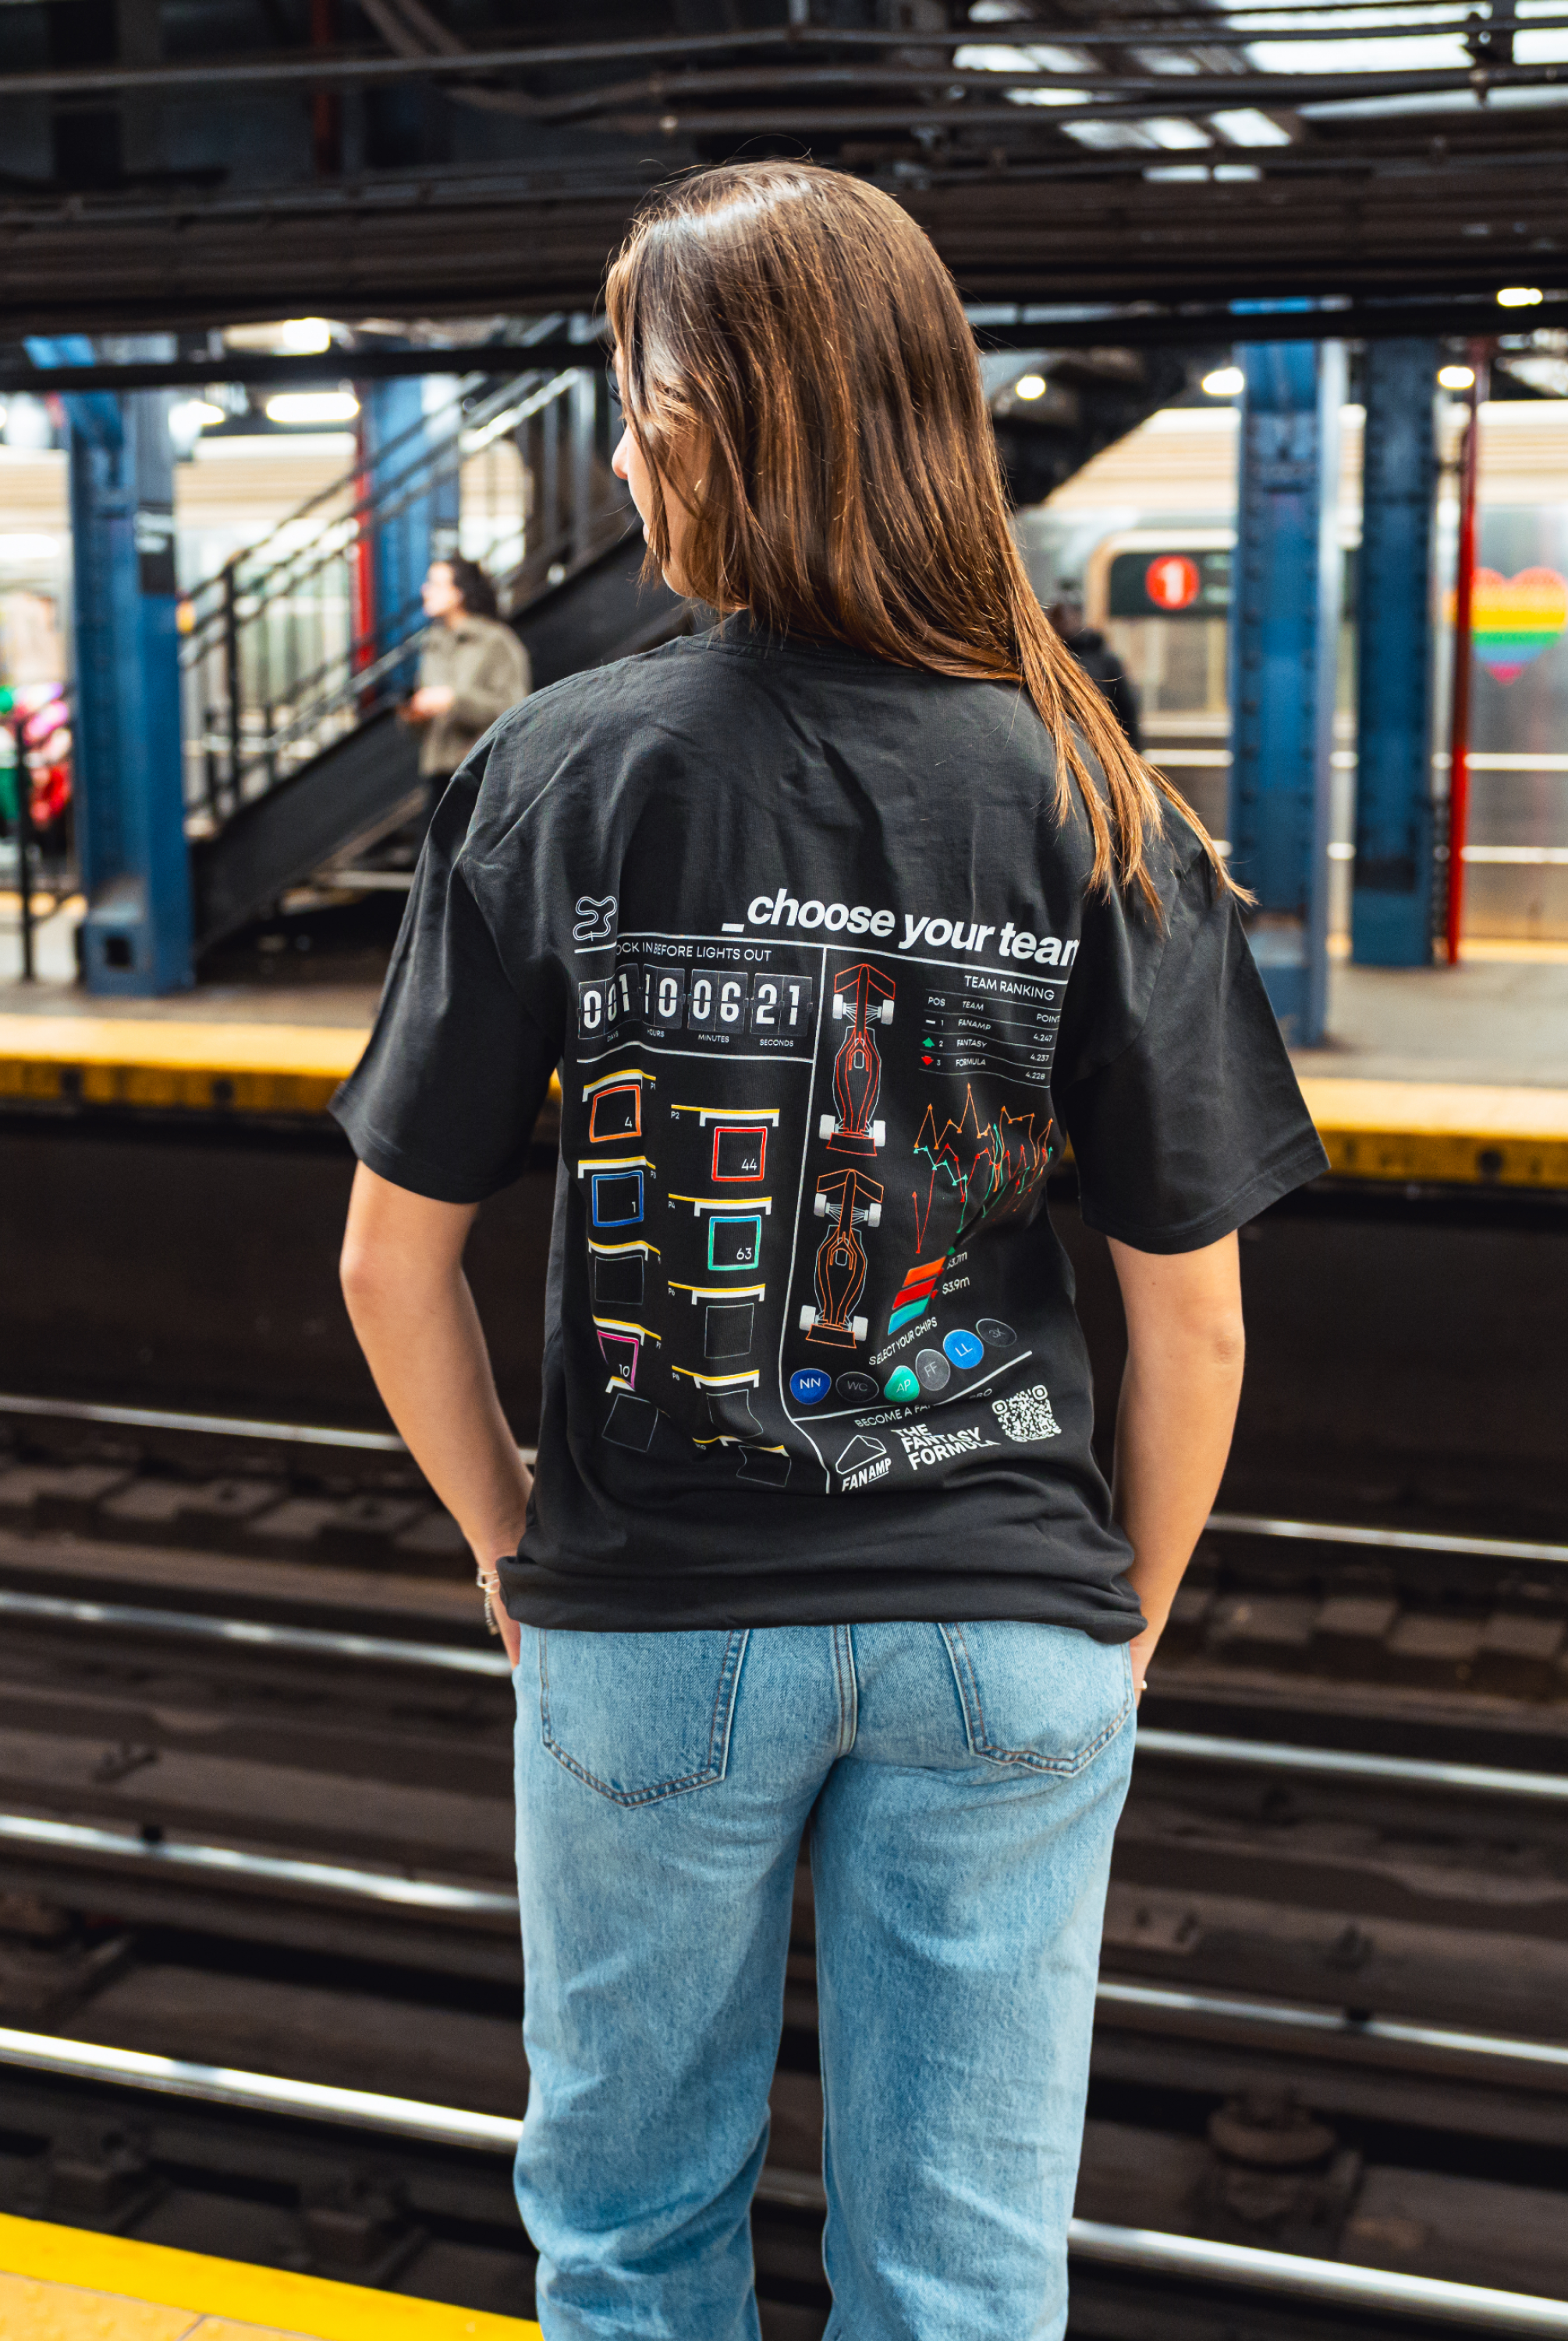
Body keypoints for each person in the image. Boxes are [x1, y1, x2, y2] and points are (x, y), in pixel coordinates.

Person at [333, 160, 1326, 2341]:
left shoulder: (550, 776)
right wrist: (1110, 1630)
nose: (620, 446)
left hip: (651, 1619)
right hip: (1006, 1632)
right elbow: (1200, 1327)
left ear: (702, 431)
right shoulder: (1093, 789)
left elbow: (388, 1272)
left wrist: (523, 1556)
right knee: (962, 2279)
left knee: (629, 2243)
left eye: (632, 400)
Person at [402, 554, 530, 808]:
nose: (424, 590)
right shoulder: (434, 643)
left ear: (458, 593)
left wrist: (453, 701)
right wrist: (416, 714)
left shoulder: (495, 640)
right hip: (438, 774)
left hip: (482, 776)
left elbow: (516, 710)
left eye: (435, 584)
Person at [1048, 589, 1144, 755]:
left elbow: (1126, 709)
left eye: (1066, 616)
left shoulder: (1103, 660)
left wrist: (1132, 753)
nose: (1063, 623)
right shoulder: (1046, 658)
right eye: (1057, 618)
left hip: (1100, 747)